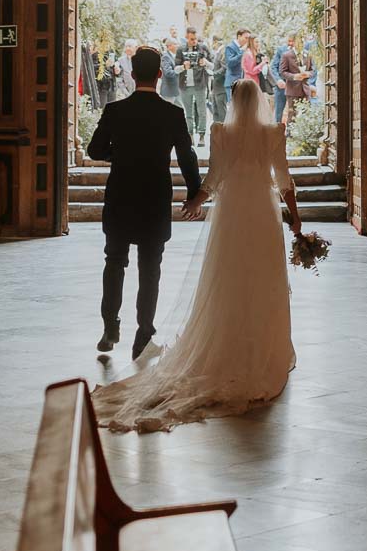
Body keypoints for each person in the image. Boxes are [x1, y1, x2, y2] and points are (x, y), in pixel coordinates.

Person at [92, 78, 302, 433]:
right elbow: (283, 179)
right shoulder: (273, 135)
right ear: (261, 102)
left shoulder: (221, 132)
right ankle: (262, 349)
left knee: (227, 277)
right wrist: (295, 219)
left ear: (233, 102)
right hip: (263, 216)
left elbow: (215, 177)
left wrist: (195, 201)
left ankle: (219, 341)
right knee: (264, 279)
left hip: (232, 214)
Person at [87, 46, 202, 361]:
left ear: (132, 74)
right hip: (154, 197)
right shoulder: (173, 114)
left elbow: (94, 150)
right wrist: (194, 192)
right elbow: (186, 157)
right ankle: (144, 333)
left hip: (121, 195)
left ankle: (110, 328)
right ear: (161, 74)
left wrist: (118, 154)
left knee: (114, 261)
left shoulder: (115, 111)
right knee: (150, 268)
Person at [175, 28, 211, 145]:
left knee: (202, 111)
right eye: (191, 39)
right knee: (188, 113)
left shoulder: (203, 48)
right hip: (185, 85)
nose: (194, 41)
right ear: (186, 37)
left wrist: (205, 63)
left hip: (200, 84)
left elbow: (214, 65)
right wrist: (183, 67)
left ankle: (201, 135)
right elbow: (175, 69)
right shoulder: (180, 49)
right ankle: (190, 136)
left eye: (195, 39)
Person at [279, 37, 310, 131]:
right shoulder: (286, 55)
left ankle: (305, 137)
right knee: (292, 115)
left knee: (306, 114)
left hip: (305, 89)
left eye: (302, 41)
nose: (301, 43)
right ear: (294, 43)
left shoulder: (307, 54)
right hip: (292, 89)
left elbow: (313, 70)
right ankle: (290, 136)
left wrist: (308, 74)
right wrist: (294, 76)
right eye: (298, 41)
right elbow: (282, 72)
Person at [271, 35, 296, 126]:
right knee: (279, 112)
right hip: (281, 86)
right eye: (289, 41)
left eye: (292, 41)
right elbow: (273, 67)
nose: (290, 43)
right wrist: (278, 80)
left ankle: (290, 134)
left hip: (294, 87)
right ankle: (276, 133)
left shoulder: (301, 52)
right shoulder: (280, 50)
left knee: (293, 111)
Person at [209, 40, 228, 125]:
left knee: (221, 112)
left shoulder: (223, 51)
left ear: (216, 42)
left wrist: (213, 74)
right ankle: (217, 130)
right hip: (215, 87)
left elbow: (224, 69)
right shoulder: (218, 52)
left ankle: (223, 132)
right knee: (215, 111)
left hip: (221, 87)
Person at [159, 39, 182, 107]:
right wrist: (180, 69)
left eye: (178, 44)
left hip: (178, 90)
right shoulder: (166, 57)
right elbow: (168, 73)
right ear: (169, 46)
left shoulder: (177, 56)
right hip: (169, 91)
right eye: (175, 44)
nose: (178, 46)